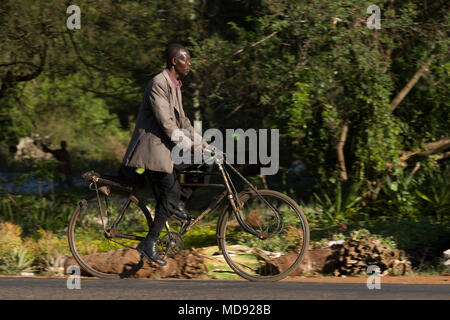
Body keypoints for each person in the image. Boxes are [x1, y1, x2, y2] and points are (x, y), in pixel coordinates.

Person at [121, 43, 211, 266]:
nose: (189, 64)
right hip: (153, 151)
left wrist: (206, 145)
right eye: (186, 60)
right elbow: (168, 125)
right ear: (174, 62)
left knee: (203, 164)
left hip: (167, 148)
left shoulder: (175, 85)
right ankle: (149, 242)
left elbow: (184, 123)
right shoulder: (158, 84)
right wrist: (190, 146)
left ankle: (178, 204)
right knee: (169, 195)